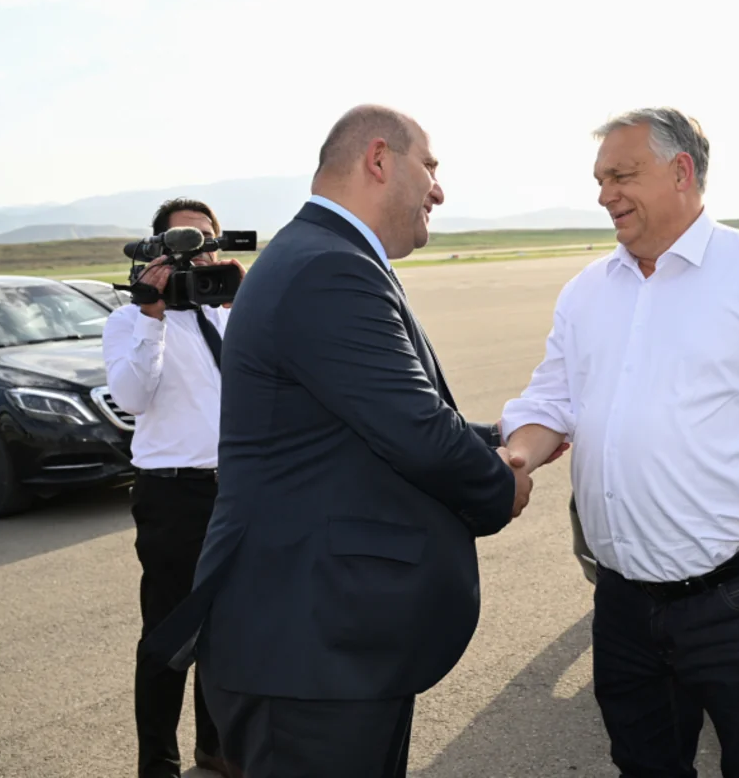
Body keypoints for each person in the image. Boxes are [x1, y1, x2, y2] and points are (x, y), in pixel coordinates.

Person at [140, 104, 539, 778]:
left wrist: (503, 436)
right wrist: (502, 482)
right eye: (430, 166)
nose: (439, 190)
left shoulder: (321, 255)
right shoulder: (327, 267)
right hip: (308, 656)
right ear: (379, 160)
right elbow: (415, 431)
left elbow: (361, 423)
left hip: (323, 648)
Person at [500, 107, 739, 778]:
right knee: (645, 765)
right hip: (623, 603)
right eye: (600, 180)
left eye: (622, 175)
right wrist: (517, 458)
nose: (605, 195)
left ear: (680, 172)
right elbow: (551, 401)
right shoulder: (587, 292)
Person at [102, 197, 242, 778]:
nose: (196, 252)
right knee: (167, 633)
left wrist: (246, 299)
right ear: (157, 249)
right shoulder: (129, 321)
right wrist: (152, 316)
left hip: (234, 493)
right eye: (183, 241)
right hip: (173, 496)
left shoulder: (228, 315)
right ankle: (157, 762)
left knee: (227, 629)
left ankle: (216, 745)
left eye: (205, 240)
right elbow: (132, 398)